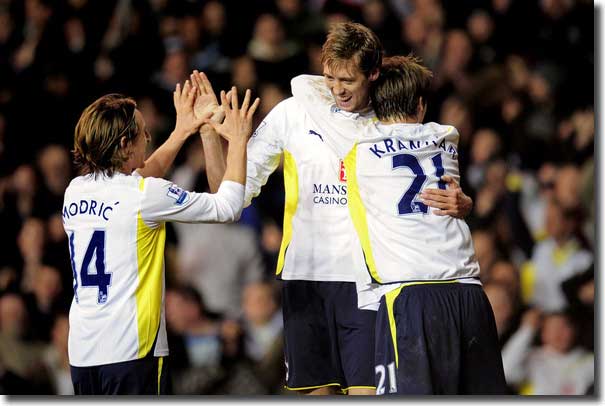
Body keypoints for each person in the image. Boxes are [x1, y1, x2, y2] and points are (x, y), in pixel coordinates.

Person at [194, 22, 472, 395]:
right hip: (305, 277)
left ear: (373, 74)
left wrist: (463, 202)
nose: (337, 89)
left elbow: (433, 191)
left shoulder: (390, 120)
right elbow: (228, 195)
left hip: (370, 281)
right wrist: (210, 134)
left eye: (348, 80)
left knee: (367, 394)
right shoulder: (292, 113)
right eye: (329, 78)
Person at [290, 54, 506, 394]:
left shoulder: (357, 143)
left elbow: (301, 85)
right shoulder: (446, 136)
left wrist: (367, 75)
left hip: (411, 296)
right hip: (469, 293)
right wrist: (466, 203)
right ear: (420, 107)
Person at [63, 81, 260, 395]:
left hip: (84, 352)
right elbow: (228, 207)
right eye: (143, 132)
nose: (148, 138)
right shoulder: (145, 195)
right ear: (126, 144)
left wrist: (184, 131)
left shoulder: (75, 191)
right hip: (132, 351)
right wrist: (237, 140)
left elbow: (140, 175)